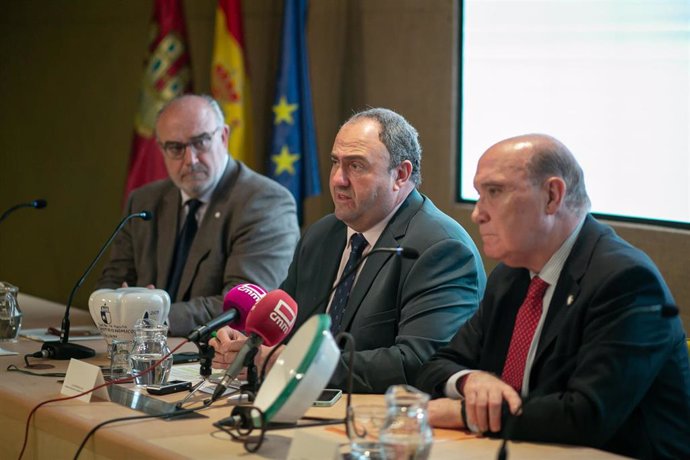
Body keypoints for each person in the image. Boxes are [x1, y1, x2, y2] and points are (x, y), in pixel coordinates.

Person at [416, 134, 690, 458]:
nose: (478, 214)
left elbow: (584, 416)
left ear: (551, 196)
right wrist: (470, 382)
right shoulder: (511, 275)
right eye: (479, 194)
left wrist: (461, 414)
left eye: (494, 192)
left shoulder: (625, 282)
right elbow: (436, 367)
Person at [211, 108, 486, 393]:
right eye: (335, 163)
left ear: (401, 175)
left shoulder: (441, 249)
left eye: (356, 166)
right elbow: (283, 327)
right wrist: (247, 342)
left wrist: (286, 363)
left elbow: (419, 364)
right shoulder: (322, 235)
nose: (338, 179)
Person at [97, 94, 300, 337]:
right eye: (175, 148)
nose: (190, 160)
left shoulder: (265, 203)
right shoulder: (144, 201)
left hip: (214, 357)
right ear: (161, 149)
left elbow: (242, 307)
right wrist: (120, 306)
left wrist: (151, 314)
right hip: (140, 351)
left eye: (201, 142)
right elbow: (111, 285)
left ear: (223, 137)